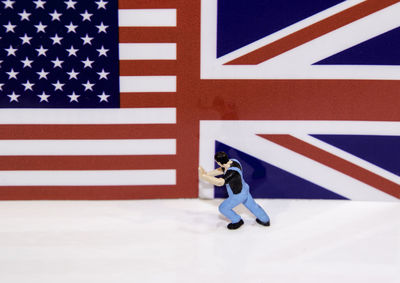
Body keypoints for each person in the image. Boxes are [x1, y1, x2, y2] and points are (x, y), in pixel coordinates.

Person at [199, 151, 270, 230]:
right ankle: (265, 219)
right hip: (244, 189)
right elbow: (221, 169)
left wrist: (204, 177)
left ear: (219, 162)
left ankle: (237, 221)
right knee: (253, 206)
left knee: (223, 208)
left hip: (238, 195)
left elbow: (219, 182)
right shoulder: (234, 161)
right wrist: (207, 174)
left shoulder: (232, 172)